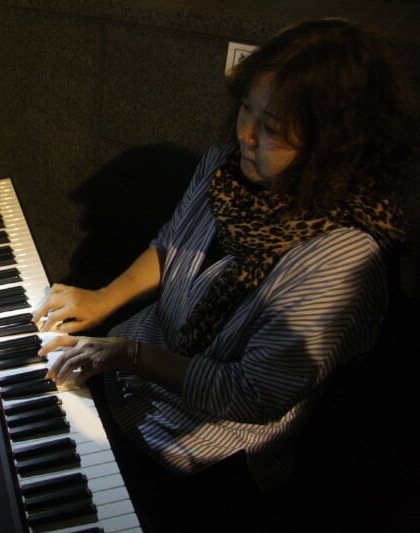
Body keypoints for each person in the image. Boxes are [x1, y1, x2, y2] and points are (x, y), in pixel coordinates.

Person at [32, 18, 414, 528]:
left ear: (333, 146)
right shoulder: (224, 165)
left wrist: (129, 354)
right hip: (126, 374)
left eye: (272, 128)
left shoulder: (343, 258)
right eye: (246, 108)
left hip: (201, 450)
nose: (245, 134)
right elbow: (172, 243)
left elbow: (250, 393)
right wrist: (103, 298)